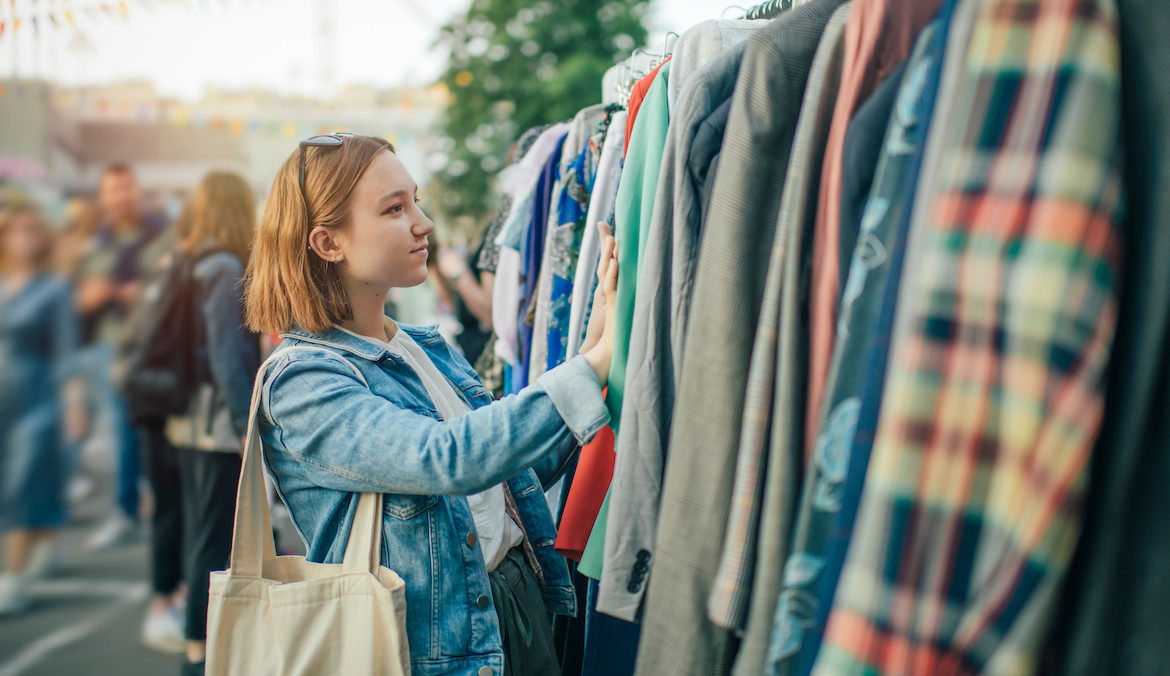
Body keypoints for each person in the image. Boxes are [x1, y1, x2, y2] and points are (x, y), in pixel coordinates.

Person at [243, 133, 618, 676]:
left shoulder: (423, 347)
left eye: (415, 200)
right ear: (328, 244)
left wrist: (591, 349)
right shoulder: (303, 381)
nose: (423, 223)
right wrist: (591, 368)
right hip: (431, 651)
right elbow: (447, 459)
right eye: (394, 209)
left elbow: (512, 474)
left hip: (512, 611)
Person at [163, 172, 261, 675]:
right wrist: (247, 424)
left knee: (200, 530)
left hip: (190, 417)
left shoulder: (195, 260)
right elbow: (226, 355)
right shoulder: (223, 267)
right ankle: (200, 652)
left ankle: (197, 646)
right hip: (215, 420)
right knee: (212, 535)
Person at [75, 164, 172, 552]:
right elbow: (79, 297)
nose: (121, 197)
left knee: (142, 428)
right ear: (103, 196)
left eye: (127, 188)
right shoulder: (97, 241)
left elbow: (167, 287)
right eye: (113, 190)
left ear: (138, 190)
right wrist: (92, 295)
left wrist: (124, 290)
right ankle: (128, 508)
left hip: (148, 346)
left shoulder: (161, 234)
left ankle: (138, 508)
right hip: (103, 346)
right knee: (119, 431)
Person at [0, 205, 88, 616]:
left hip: (39, 398)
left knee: (22, 482)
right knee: (12, 483)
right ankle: (46, 535)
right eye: (16, 231)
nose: (24, 239)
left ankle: (13, 579)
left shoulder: (53, 289)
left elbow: (66, 351)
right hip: (4, 400)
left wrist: (74, 404)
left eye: (32, 231)